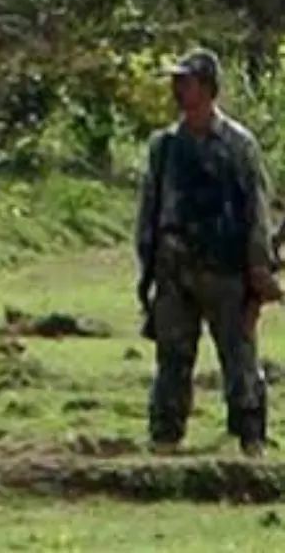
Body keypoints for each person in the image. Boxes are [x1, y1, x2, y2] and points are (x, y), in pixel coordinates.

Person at [135, 48, 282, 457]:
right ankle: (165, 436)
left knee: (239, 358)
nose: (177, 88)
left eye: (186, 80)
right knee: (172, 359)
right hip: (174, 269)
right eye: (176, 81)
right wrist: (147, 265)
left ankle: (250, 436)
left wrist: (259, 267)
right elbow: (150, 207)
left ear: (207, 87)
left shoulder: (238, 145)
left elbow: (256, 208)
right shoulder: (164, 146)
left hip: (226, 270)